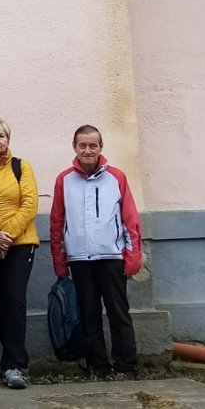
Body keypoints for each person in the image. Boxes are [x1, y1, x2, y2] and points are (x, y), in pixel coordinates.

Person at [49, 125, 143, 379]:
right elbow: (57, 223)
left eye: (93, 145)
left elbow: (130, 220)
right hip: (80, 260)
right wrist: (60, 262)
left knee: (118, 313)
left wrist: (132, 257)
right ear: (75, 148)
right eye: (83, 145)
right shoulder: (64, 180)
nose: (88, 150)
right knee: (88, 315)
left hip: (111, 257)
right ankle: (98, 366)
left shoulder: (117, 177)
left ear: (101, 147)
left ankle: (126, 365)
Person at [0, 118, 39, 390]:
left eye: (1, 135)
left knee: (14, 299)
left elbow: (30, 204)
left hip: (20, 243)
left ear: (8, 139)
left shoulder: (21, 167)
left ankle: (14, 365)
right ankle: (13, 358)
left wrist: (5, 239)